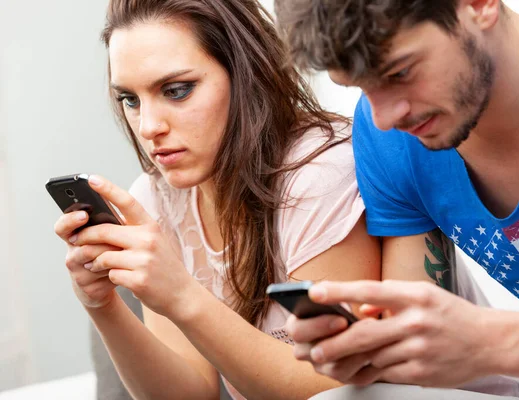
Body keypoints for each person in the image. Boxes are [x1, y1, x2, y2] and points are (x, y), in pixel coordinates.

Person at [52, 0, 383, 399]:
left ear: (245, 74)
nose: (148, 126)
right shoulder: (157, 197)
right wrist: (103, 308)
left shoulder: (321, 172)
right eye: (130, 100)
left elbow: (334, 388)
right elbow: (191, 395)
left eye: (176, 91)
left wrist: (181, 295)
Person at [275, 0, 519, 398]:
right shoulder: (390, 141)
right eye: (361, 87)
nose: (385, 117)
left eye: (400, 73)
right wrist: (372, 350)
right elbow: (420, 352)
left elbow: (485, 344)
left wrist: (491, 342)